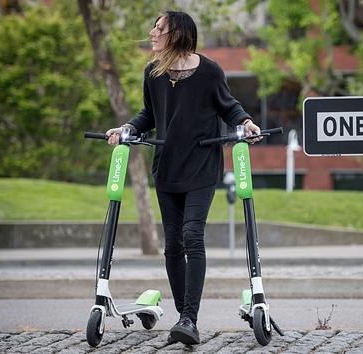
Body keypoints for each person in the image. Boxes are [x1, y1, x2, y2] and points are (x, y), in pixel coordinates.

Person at [105, 10, 262, 345]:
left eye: (158, 28)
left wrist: (246, 122)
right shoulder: (153, 73)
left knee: (193, 235)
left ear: (175, 34)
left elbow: (228, 106)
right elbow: (149, 113)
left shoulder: (209, 71)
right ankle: (184, 317)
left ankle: (189, 318)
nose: (151, 33)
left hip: (202, 165)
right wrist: (128, 128)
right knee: (172, 246)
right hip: (167, 166)